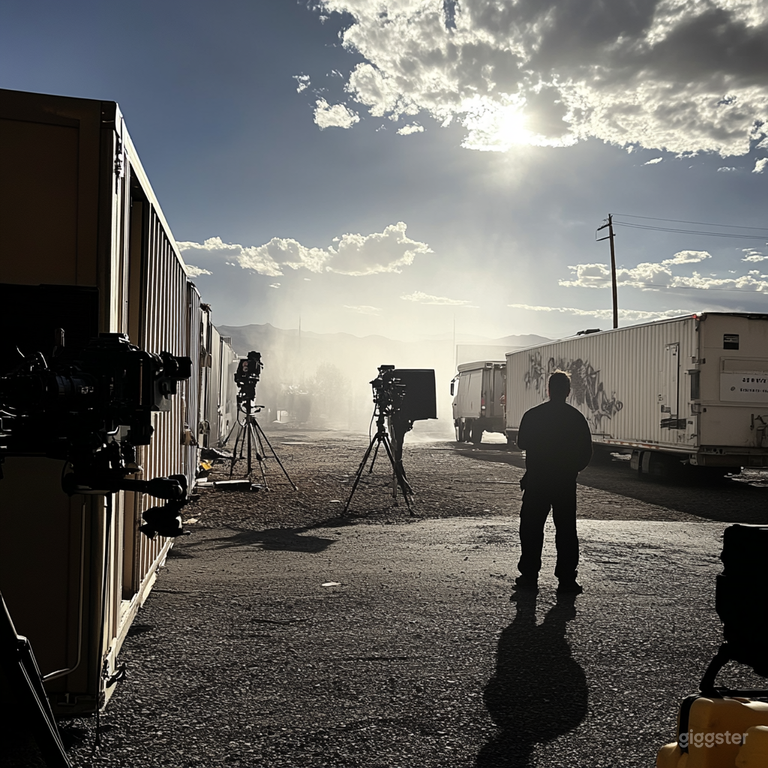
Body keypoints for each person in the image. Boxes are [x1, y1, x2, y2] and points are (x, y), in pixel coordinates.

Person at [514, 371, 592, 595]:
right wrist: (571, 470)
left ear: (548, 390)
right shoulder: (576, 418)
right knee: (566, 530)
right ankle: (566, 578)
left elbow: (522, 443)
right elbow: (586, 453)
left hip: (537, 480)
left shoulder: (533, 415)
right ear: (568, 391)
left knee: (531, 528)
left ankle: (529, 575)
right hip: (564, 483)